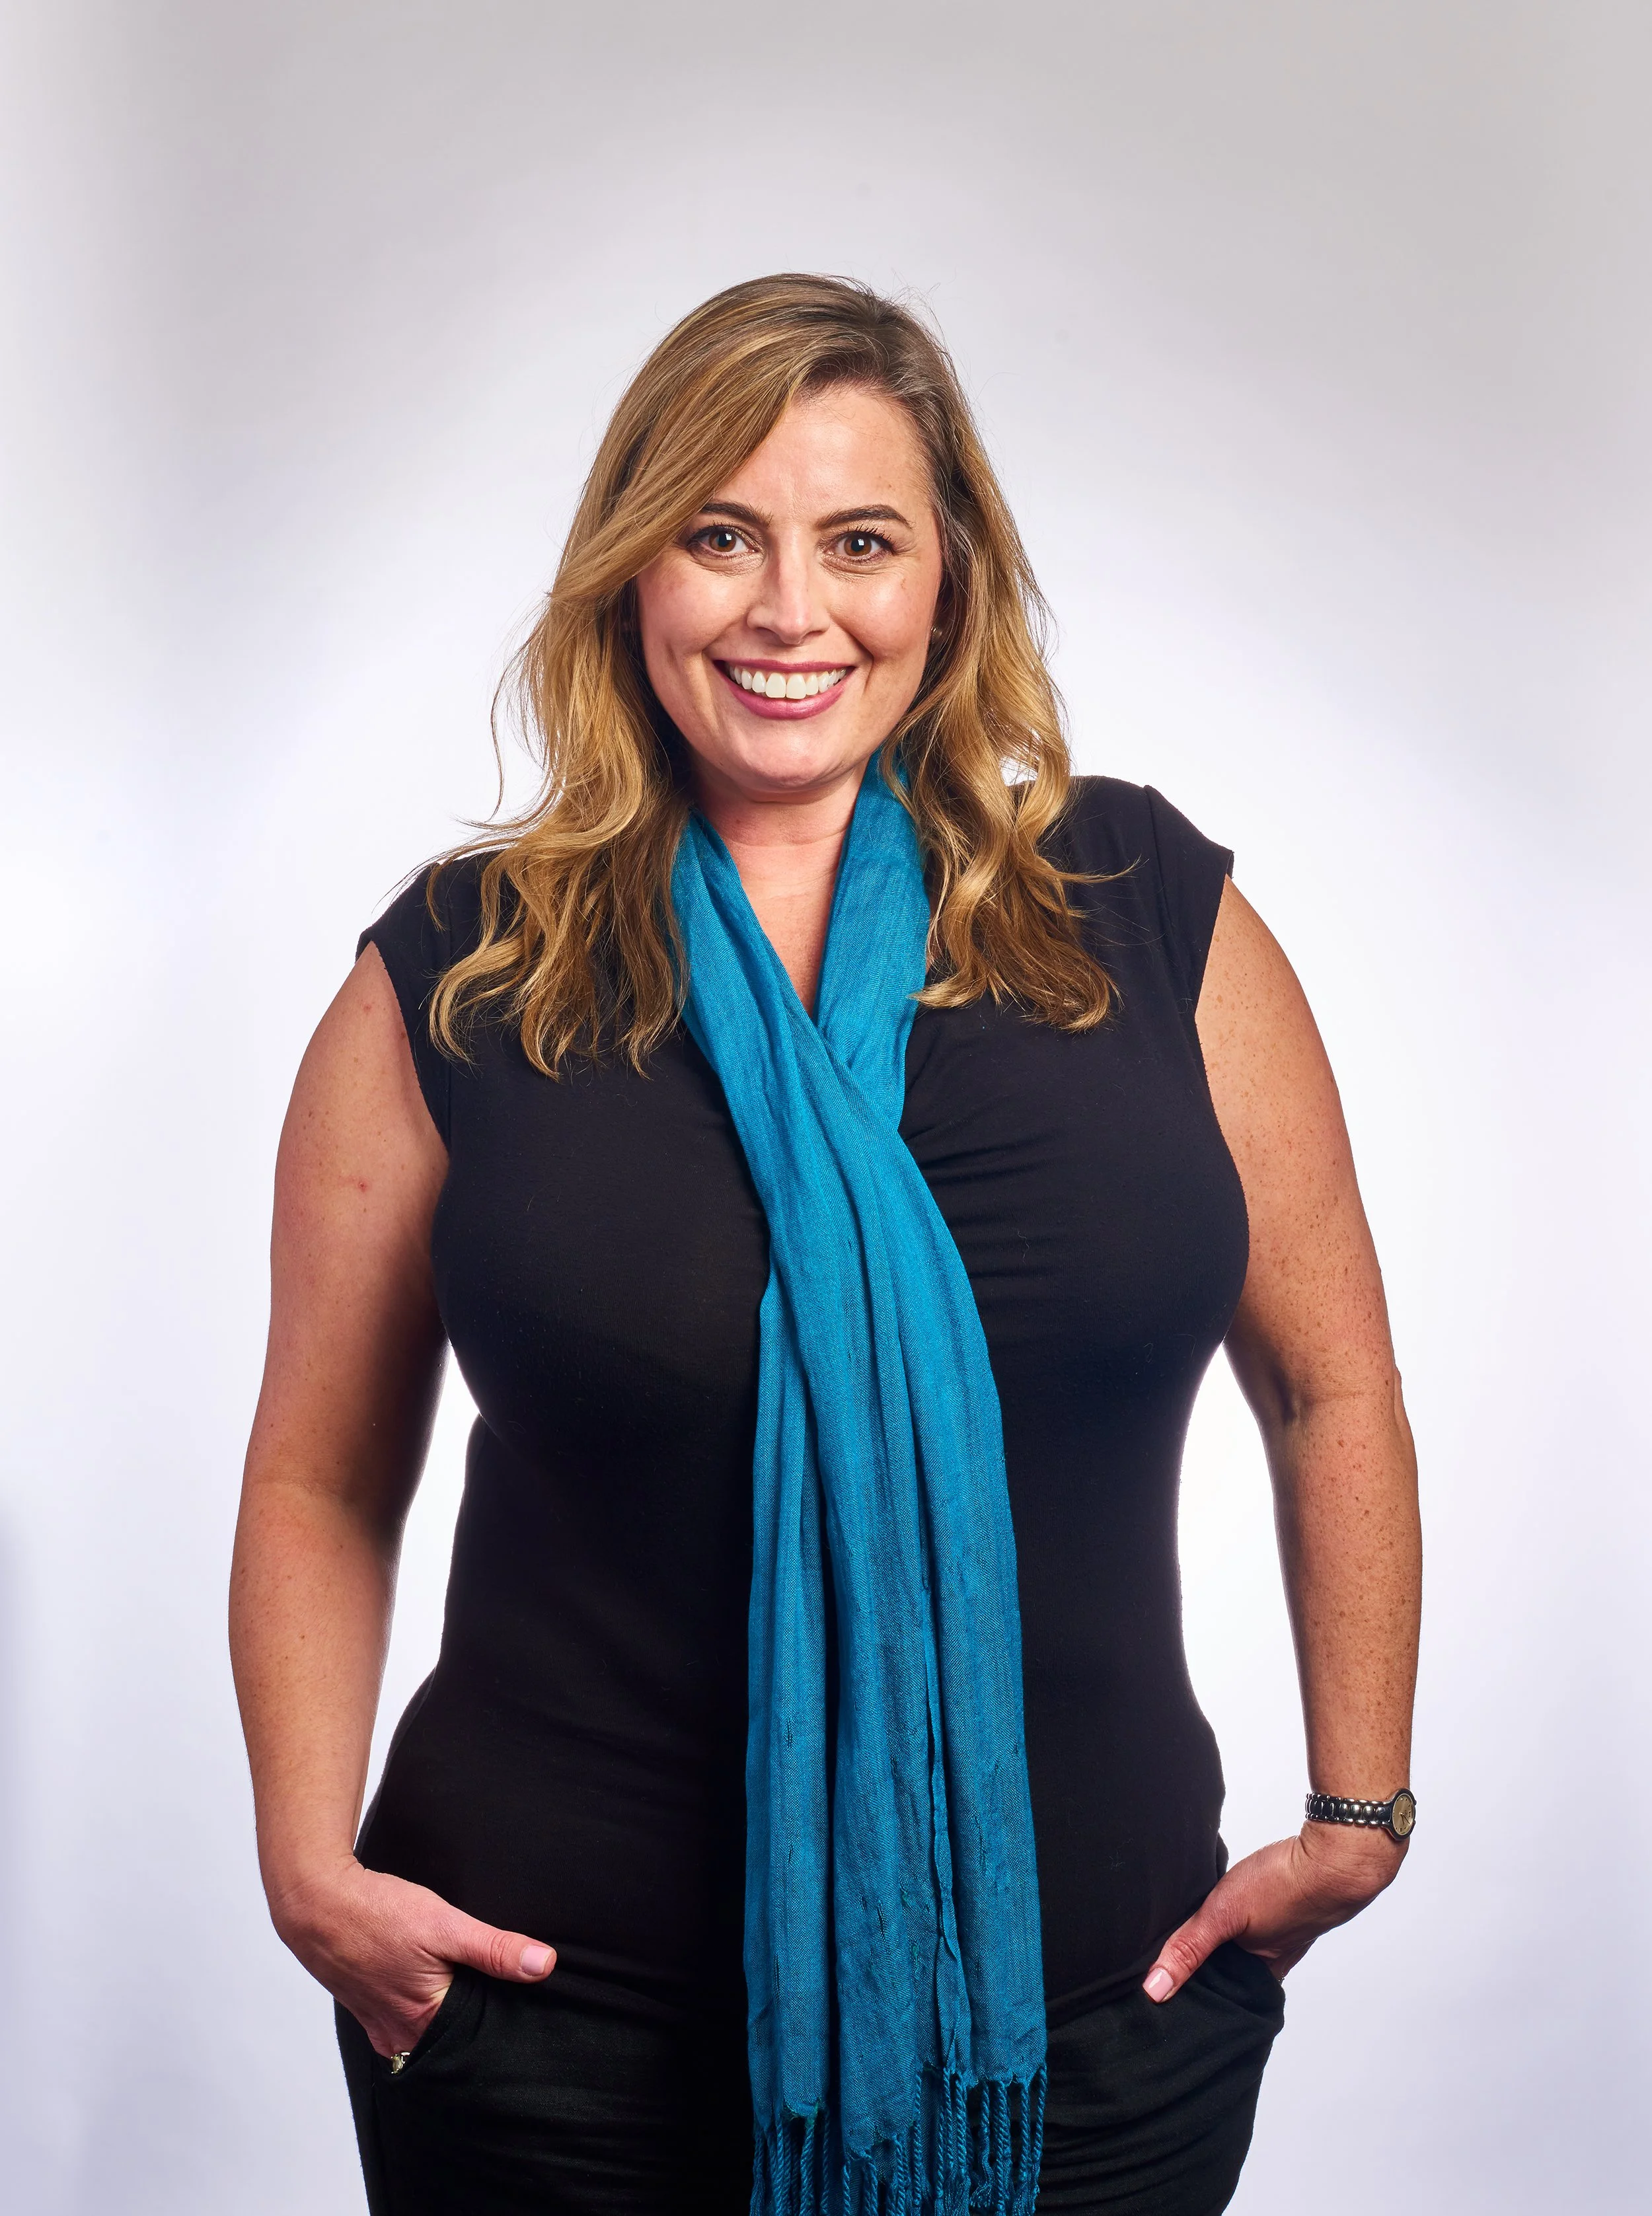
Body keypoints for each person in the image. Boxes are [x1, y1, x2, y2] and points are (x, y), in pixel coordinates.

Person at [230, 273, 1421, 2216]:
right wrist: (306, 1864)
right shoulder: (462, 972)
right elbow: (319, 1467)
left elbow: (1332, 1384)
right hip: (552, 2036)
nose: (791, 610)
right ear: (631, 577)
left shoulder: (1151, 922)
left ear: (947, 585)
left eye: (858, 542)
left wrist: (1357, 1806)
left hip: (1099, 2021)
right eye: (720, 536)